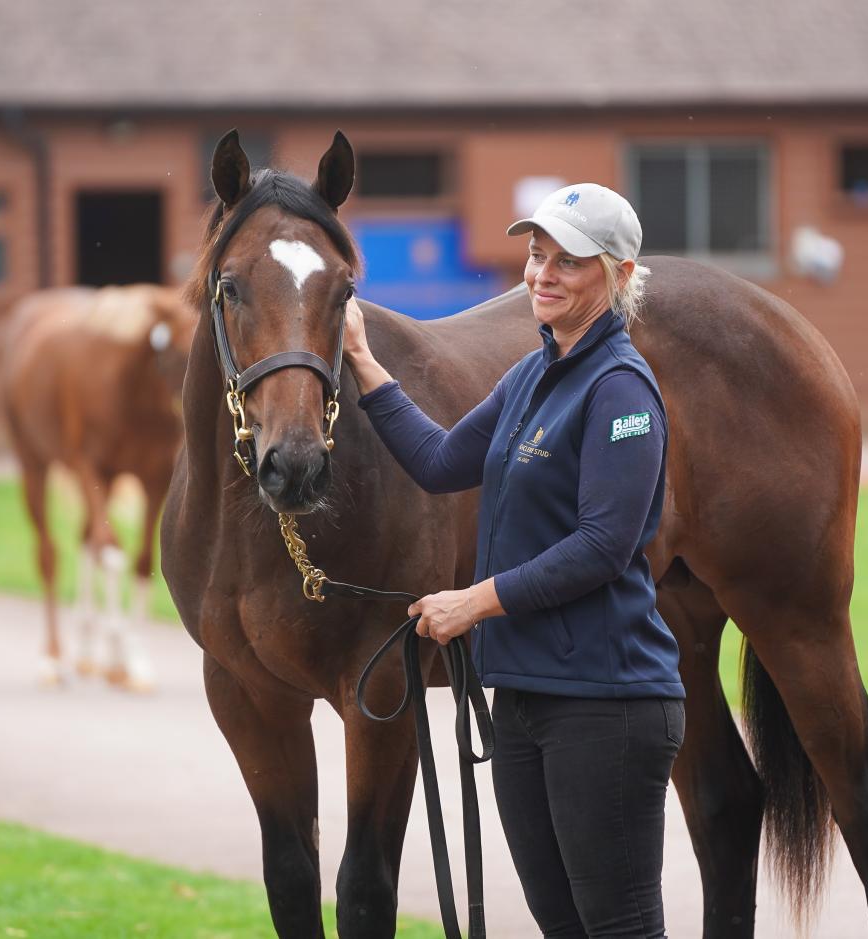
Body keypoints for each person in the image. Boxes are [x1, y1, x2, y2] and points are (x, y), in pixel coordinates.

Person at [343, 183, 684, 938]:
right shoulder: (531, 376)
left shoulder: (621, 388)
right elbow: (437, 460)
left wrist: (474, 601)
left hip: (609, 701)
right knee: (560, 923)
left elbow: (604, 544)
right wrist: (364, 363)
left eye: (569, 261)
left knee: (619, 924)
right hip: (525, 697)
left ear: (620, 275)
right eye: (536, 255)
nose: (543, 274)